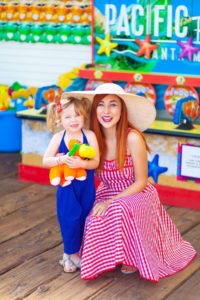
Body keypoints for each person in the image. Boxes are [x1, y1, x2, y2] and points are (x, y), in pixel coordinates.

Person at [63, 83, 197, 282]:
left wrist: (110, 202)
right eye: (101, 105)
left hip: (137, 193)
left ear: (122, 109)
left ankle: (134, 256)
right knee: (91, 218)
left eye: (113, 105)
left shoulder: (132, 138)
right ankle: (90, 254)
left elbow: (142, 182)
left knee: (116, 209)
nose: (106, 111)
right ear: (94, 110)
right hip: (107, 190)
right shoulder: (92, 139)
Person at [43, 95, 99, 273]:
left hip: (86, 187)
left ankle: (74, 254)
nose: (73, 120)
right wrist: (61, 160)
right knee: (69, 218)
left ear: (84, 116)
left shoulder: (89, 135)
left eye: (77, 115)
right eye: (68, 117)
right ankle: (72, 254)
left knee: (85, 217)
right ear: (60, 119)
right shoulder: (58, 138)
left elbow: (96, 161)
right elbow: (46, 161)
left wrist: (82, 164)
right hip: (67, 188)